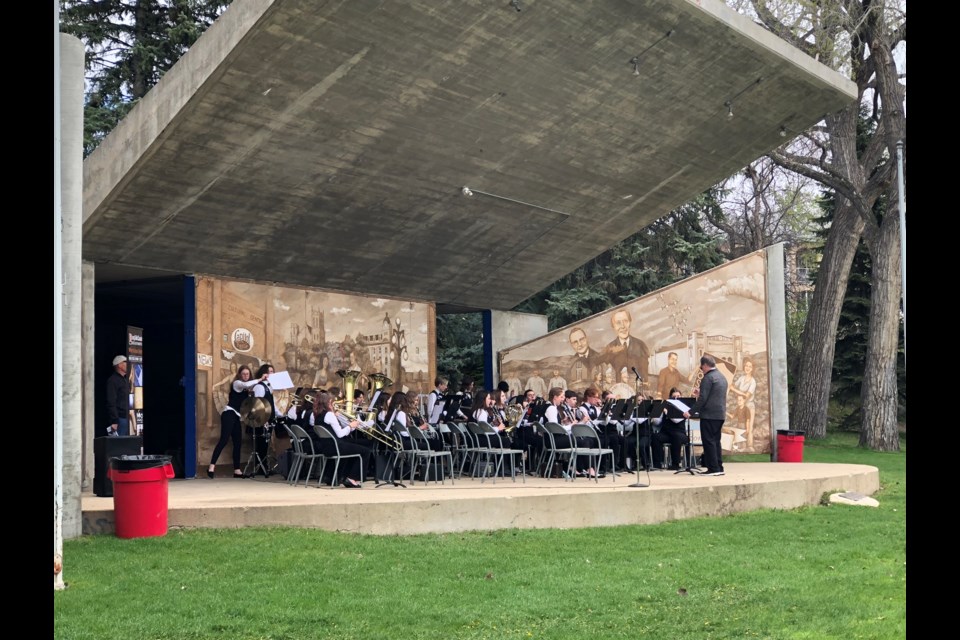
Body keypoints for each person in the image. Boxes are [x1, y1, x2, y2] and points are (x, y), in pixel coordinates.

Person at [208, 364, 265, 478]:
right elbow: (246, 384)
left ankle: (237, 470)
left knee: (237, 442)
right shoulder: (237, 383)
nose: (245, 376)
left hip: (237, 416)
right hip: (229, 413)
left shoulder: (247, 389)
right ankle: (211, 466)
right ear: (239, 375)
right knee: (224, 439)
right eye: (243, 374)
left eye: (247, 374)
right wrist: (259, 379)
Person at [683, 355, 728, 476]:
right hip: (720, 415)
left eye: (701, 367)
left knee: (708, 441)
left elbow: (702, 399)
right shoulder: (721, 377)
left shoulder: (708, 378)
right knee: (716, 441)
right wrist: (701, 391)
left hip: (709, 415)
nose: (701, 370)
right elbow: (714, 394)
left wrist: (690, 412)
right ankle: (719, 467)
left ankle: (713, 469)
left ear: (705, 365)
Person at [310, 392, 366, 487]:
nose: (334, 405)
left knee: (354, 446)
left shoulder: (318, 414)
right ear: (329, 402)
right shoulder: (329, 415)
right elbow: (340, 434)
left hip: (327, 447)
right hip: (336, 446)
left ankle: (335, 477)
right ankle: (352, 478)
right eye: (333, 402)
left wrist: (351, 427)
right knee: (365, 451)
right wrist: (350, 426)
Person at [601, 308, 651, 386]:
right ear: (613, 326)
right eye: (618, 323)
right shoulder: (608, 349)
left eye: (625, 321)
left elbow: (644, 374)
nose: (623, 326)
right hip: (617, 393)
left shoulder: (641, 345)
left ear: (630, 323)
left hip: (636, 392)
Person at [655, 387, 690, 470]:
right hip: (666, 433)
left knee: (676, 437)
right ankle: (657, 463)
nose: (676, 398)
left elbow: (676, 421)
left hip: (680, 433)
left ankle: (676, 463)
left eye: (678, 396)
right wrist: (657, 414)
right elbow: (657, 422)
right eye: (674, 396)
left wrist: (667, 412)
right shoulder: (666, 405)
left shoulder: (684, 408)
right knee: (655, 437)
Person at [730, 357, 757, 448]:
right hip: (741, 405)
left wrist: (735, 390)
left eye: (750, 366)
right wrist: (732, 386)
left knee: (749, 427)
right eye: (746, 366)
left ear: (752, 368)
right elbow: (733, 386)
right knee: (740, 427)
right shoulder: (741, 378)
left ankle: (750, 446)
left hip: (749, 406)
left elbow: (747, 396)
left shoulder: (753, 382)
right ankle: (741, 446)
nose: (747, 368)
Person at [567, 326, 601, 392]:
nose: (580, 344)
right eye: (575, 342)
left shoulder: (600, 358)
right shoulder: (571, 364)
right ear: (572, 345)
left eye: (582, 339)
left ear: (586, 338)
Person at [106, 355, 131, 436]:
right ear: (119, 365)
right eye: (126, 362)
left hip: (129, 418)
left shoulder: (125, 380)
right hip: (121, 419)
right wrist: (114, 421)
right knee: (120, 445)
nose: (128, 364)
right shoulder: (112, 381)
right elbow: (111, 401)